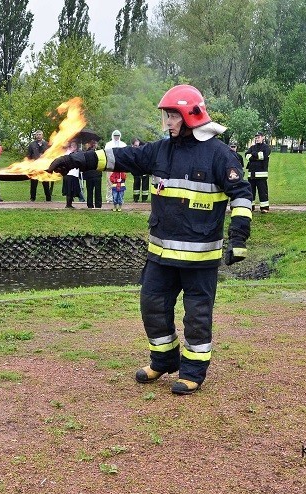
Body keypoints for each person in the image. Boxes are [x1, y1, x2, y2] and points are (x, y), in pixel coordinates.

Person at [47, 84, 253, 395]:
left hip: (199, 259)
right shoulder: (159, 150)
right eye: (166, 116)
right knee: (152, 306)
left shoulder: (220, 155)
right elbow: (120, 157)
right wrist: (77, 160)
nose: (167, 122)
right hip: (160, 254)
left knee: (197, 315)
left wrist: (238, 238)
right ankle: (163, 360)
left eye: (172, 116)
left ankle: (194, 371)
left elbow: (242, 196)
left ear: (189, 116)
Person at [245, 131, 271, 213]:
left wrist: (253, 155)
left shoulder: (266, 147)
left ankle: (264, 208)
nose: (257, 139)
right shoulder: (252, 147)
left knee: (262, 191)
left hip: (261, 175)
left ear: (263, 137)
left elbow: (263, 156)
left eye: (258, 137)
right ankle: (250, 206)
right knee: (250, 191)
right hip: (251, 174)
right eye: (256, 137)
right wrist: (255, 156)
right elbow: (247, 156)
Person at [28, 129, 53, 201]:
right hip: (35, 167)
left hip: (44, 167)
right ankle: (32, 198)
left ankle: (48, 198)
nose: (38, 136)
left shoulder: (47, 144)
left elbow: (50, 155)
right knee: (33, 183)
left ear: (42, 135)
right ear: (35, 136)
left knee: (46, 183)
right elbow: (29, 156)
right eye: (37, 135)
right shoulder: (32, 144)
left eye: (40, 134)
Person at [105, 130, 126, 203]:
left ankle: (120, 198)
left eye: (117, 136)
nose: (116, 137)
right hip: (110, 165)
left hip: (120, 166)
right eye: (115, 136)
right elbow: (106, 155)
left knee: (121, 182)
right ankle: (109, 198)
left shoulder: (123, 144)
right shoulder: (108, 144)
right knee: (110, 181)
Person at [82, 137, 103, 209]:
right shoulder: (89, 152)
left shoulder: (98, 152)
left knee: (94, 190)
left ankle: (95, 204)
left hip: (95, 174)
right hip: (92, 174)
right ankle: (93, 204)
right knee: (92, 191)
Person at [62, 141, 81, 208]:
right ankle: (68, 204)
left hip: (75, 174)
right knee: (69, 190)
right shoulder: (67, 153)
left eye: (75, 145)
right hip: (69, 174)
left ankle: (70, 204)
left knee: (72, 190)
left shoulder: (77, 153)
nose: (74, 147)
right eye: (73, 145)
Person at [131, 138, 150, 202]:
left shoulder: (144, 150)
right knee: (136, 183)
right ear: (132, 145)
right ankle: (136, 198)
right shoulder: (131, 152)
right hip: (136, 170)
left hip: (144, 169)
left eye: (138, 145)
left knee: (145, 184)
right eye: (135, 145)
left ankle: (144, 199)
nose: (137, 147)